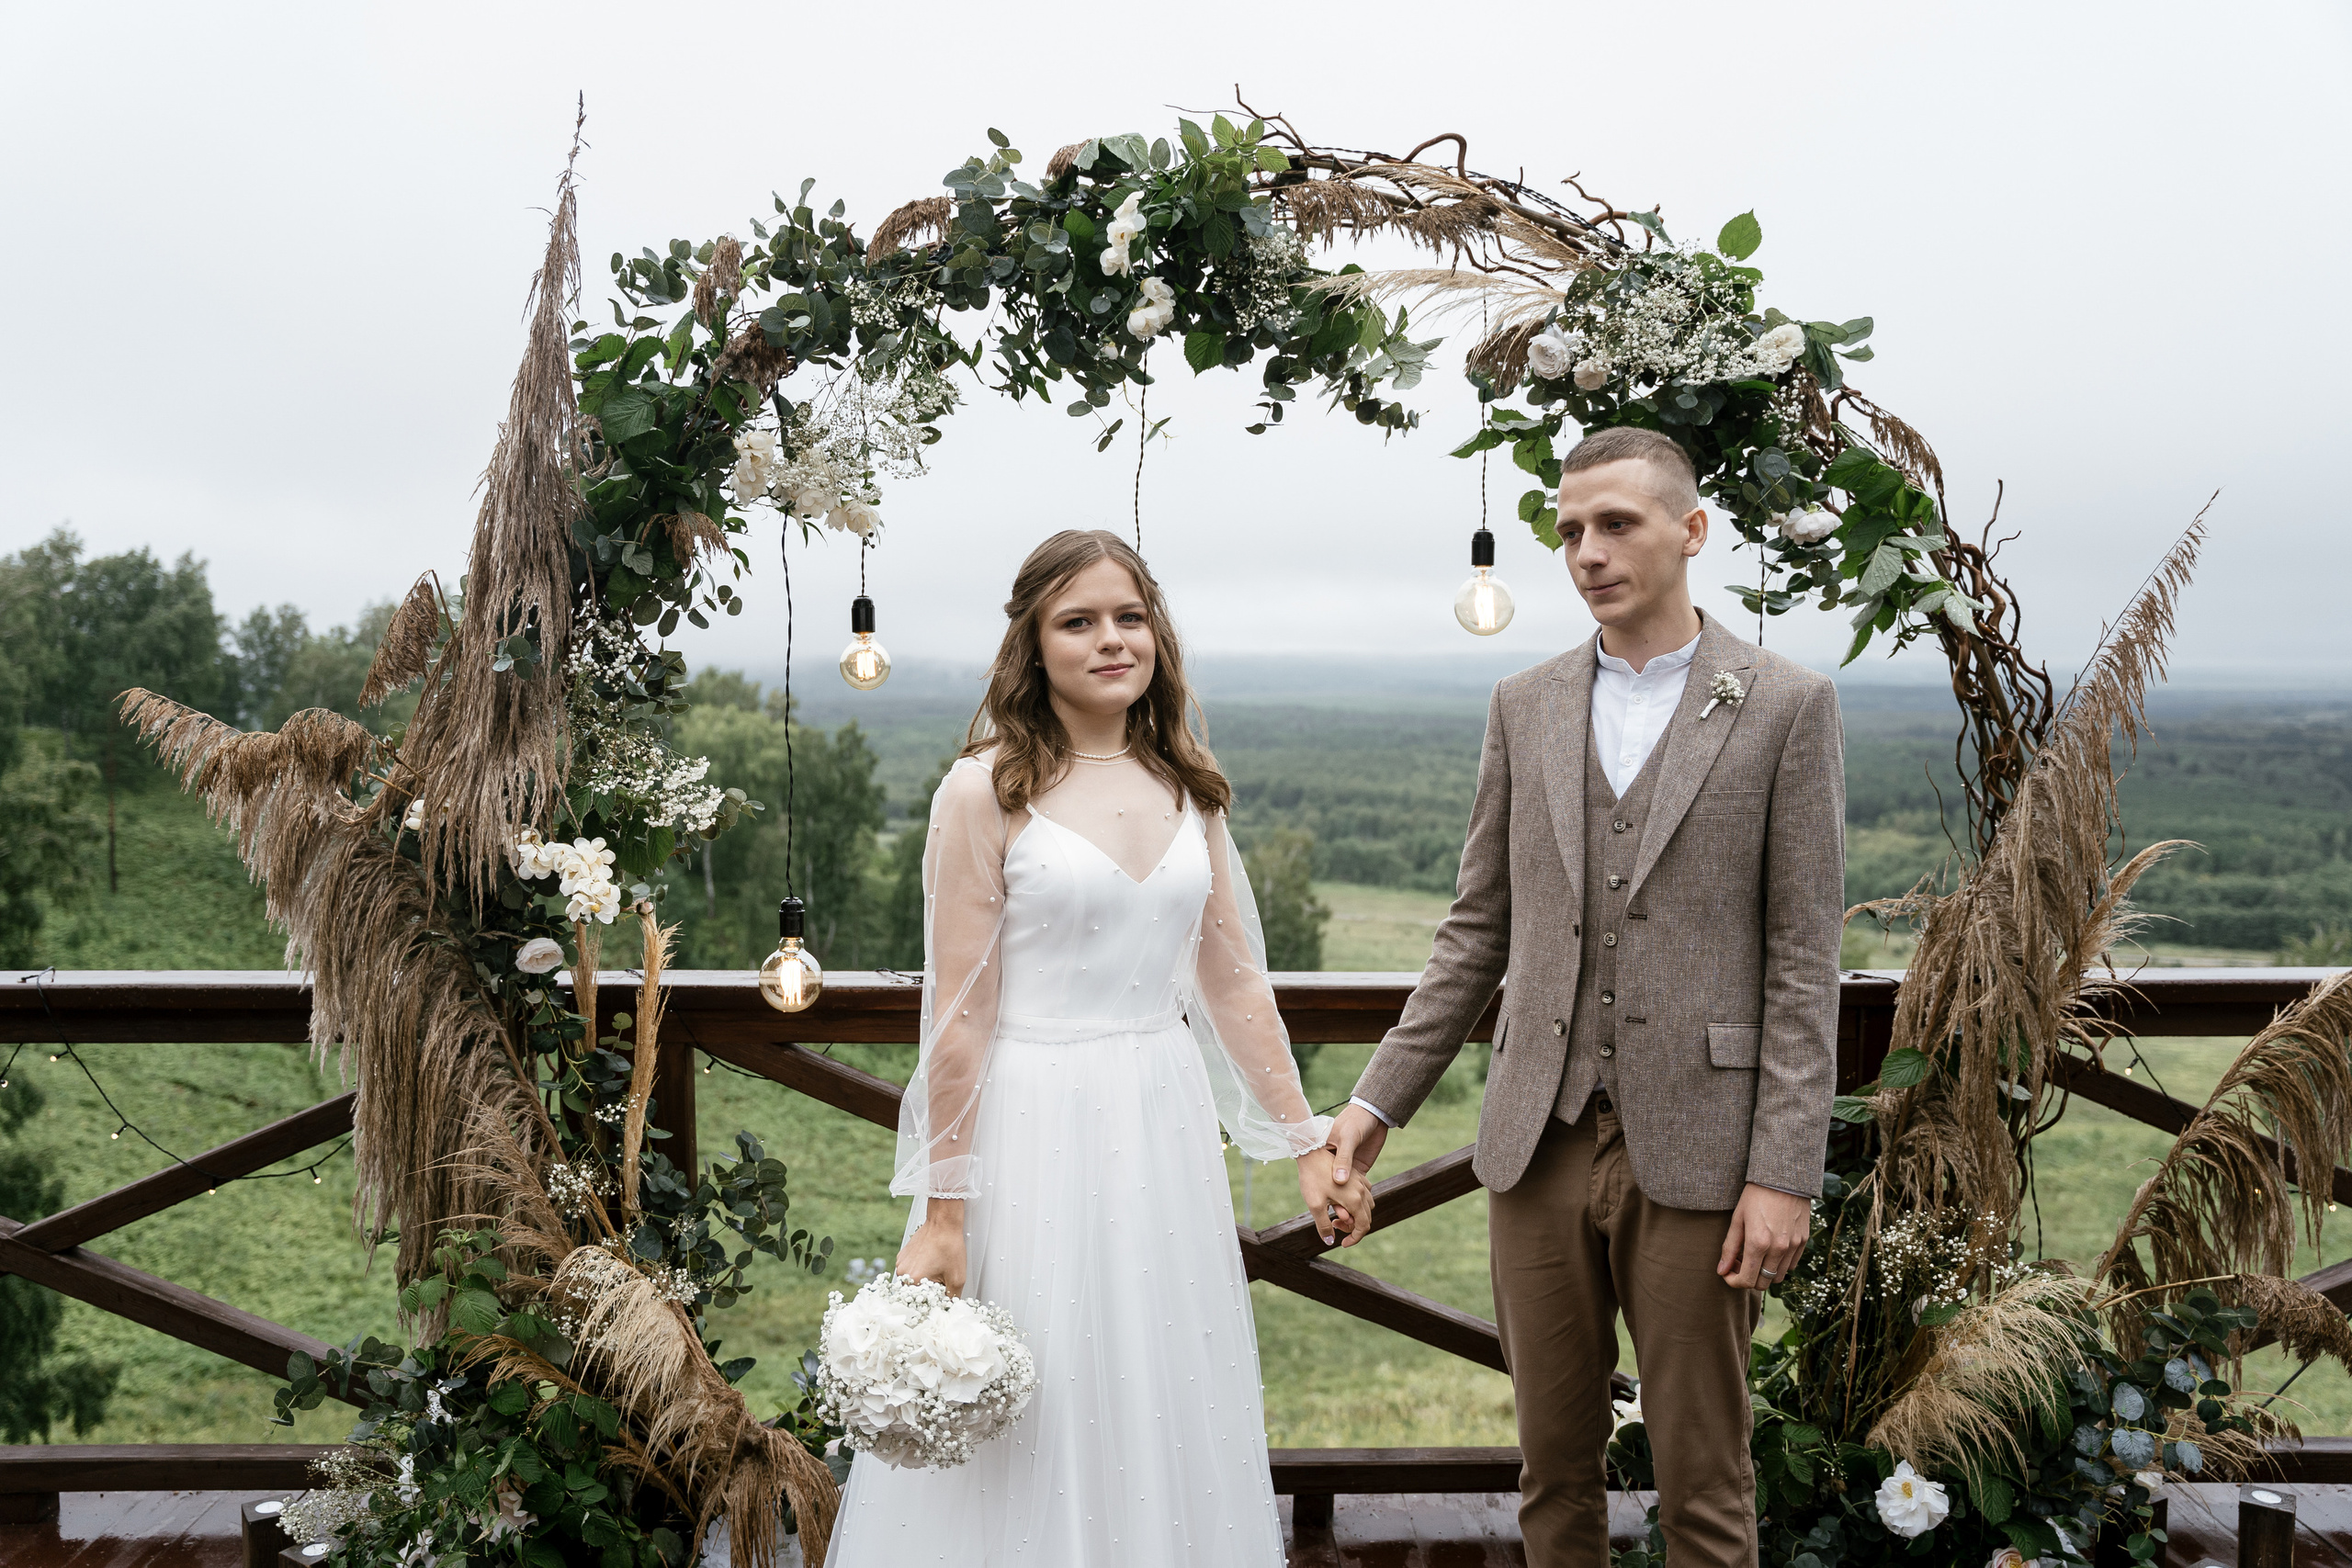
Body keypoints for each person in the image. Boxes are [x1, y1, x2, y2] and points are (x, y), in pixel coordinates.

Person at [1301, 426, 1845, 1568]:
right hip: (1535, 1141)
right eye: (1568, 532)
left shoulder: (1787, 704)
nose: (1586, 552)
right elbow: (1474, 936)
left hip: (1702, 1149)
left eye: (1616, 524)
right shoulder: (1524, 702)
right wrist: (1371, 1108)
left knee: (1704, 1479)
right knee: (1552, 1472)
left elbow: (1804, 957)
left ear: (1690, 532)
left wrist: (1784, 1171)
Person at [828, 528, 1373, 1567]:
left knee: (1155, 1374)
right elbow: (958, 1015)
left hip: (1158, 1115)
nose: (1110, 640)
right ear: (1033, 647)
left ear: (1156, 634)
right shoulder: (983, 788)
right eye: (1078, 622)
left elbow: (1232, 983)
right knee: (1032, 1381)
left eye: (1129, 618)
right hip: (1029, 1117)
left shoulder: (1188, 783)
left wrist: (1305, 1143)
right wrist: (945, 1210)